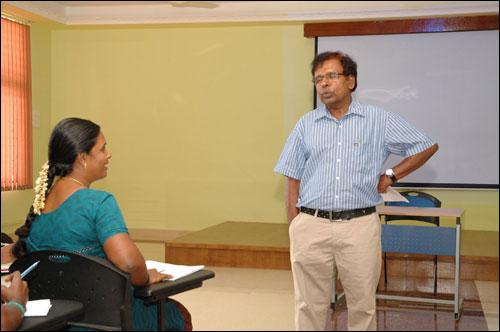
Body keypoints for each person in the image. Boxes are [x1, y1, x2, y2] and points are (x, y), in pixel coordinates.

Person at [274, 51, 438, 331]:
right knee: (308, 305)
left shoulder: (378, 120)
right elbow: (293, 176)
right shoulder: (305, 125)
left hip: (359, 226)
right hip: (311, 225)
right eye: (318, 79)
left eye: (331, 76)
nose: (324, 83)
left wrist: (390, 175)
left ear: (351, 81)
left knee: (362, 306)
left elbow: (425, 145)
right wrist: (296, 223)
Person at [5, 117, 192, 331]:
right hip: (109, 320)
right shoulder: (99, 203)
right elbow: (130, 265)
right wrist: (148, 276)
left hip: (56, 321)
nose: (108, 154)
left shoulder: (40, 206)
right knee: (178, 314)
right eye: (103, 149)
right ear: (83, 158)